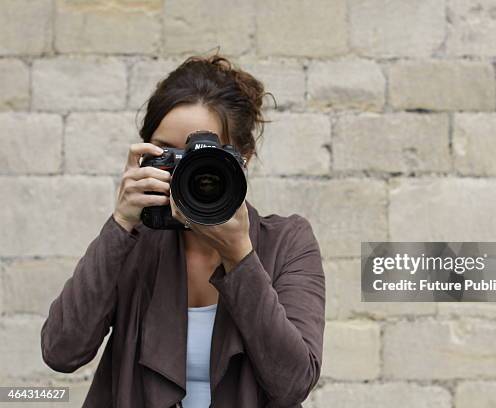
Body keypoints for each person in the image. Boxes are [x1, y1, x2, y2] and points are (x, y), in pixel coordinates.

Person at [40, 54, 326, 408]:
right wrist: (120, 224)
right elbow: (61, 351)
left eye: (201, 156)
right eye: (167, 154)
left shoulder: (286, 242)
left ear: (244, 159)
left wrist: (240, 257)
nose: (186, 173)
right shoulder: (134, 243)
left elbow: (294, 383)